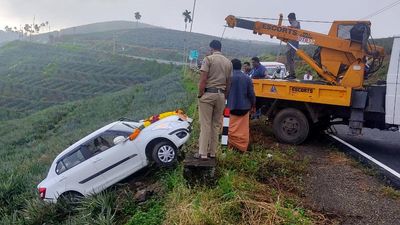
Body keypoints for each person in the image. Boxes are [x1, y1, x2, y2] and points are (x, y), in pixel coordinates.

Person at [196, 40, 232, 160]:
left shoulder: (208, 59)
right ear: (220, 48)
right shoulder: (228, 62)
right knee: (215, 125)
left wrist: (200, 94)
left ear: (211, 48)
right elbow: (229, 83)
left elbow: (203, 80)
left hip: (208, 94)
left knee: (205, 124)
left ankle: (202, 153)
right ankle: (212, 152)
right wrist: (224, 96)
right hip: (221, 96)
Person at [227, 59, 256, 152]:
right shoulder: (247, 78)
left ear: (231, 66)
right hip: (244, 108)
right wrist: (253, 105)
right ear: (240, 67)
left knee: (229, 128)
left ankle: (230, 146)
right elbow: (251, 94)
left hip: (230, 108)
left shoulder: (228, 78)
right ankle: (242, 147)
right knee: (243, 130)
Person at [285, 12, 301, 80]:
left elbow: (293, 27)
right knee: (289, 60)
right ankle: (291, 73)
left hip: (292, 46)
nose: (288, 21)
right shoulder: (294, 23)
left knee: (290, 60)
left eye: (288, 19)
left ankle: (292, 74)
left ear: (291, 18)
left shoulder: (295, 23)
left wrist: (287, 28)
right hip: (290, 45)